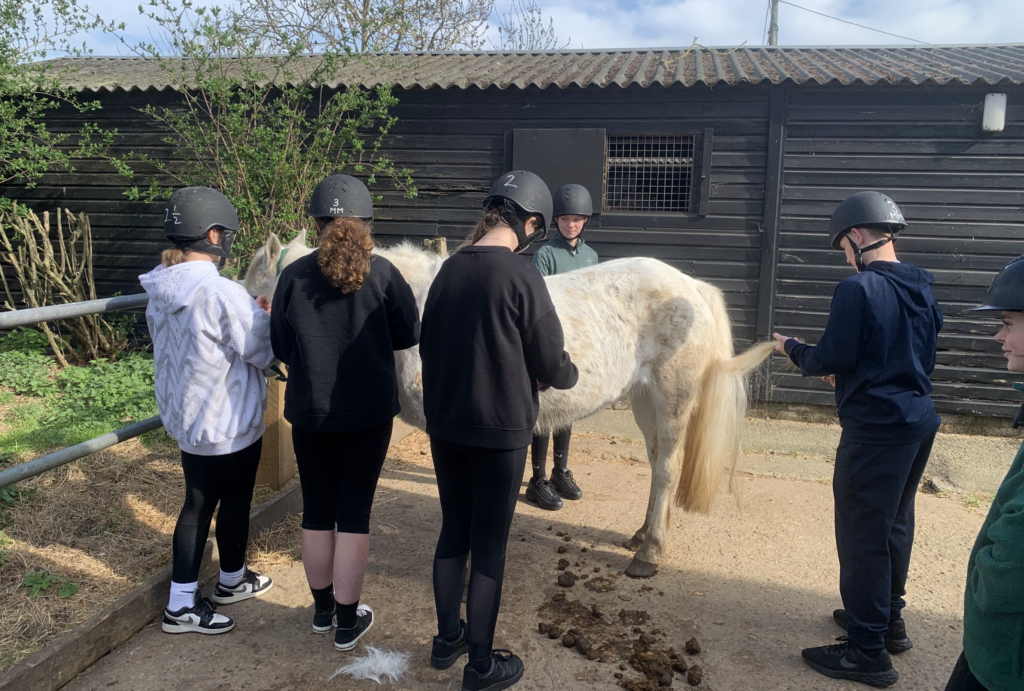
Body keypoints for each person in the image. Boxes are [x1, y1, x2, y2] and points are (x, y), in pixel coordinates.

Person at [771, 191, 943, 687]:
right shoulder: (922, 287)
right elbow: (910, 356)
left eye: (842, 246)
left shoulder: (859, 289)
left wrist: (792, 348)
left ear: (856, 236)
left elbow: (829, 357)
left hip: (876, 431)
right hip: (917, 420)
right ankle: (889, 622)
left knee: (862, 535)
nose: (845, 256)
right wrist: (853, 374)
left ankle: (867, 651)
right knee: (894, 524)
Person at [420, 170, 579, 691]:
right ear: (531, 222)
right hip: (500, 432)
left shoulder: (447, 270)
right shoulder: (521, 275)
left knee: (452, 532)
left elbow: (429, 347)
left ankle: (448, 640)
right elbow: (552, 362)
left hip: (445, 426)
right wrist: (567, 372)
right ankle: (482, 667)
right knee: (489, 546)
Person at [270, 174, 420, 652]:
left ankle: (320, 612)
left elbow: (279, 345)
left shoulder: (292, 276)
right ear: (367, 223)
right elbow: (408, 334)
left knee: (316, 511)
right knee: (354, 515)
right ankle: (347, 623)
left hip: (311, 413)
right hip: (369, 414)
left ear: (316, 225)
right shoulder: (384, 273)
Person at [140, 186, 276, 635]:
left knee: (208, 501)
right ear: (213, 235)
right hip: (228, 416)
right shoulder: (220, 292)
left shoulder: (159, 287)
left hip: (188, 415)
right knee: (215, 503)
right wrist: (265, 316)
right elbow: (260, 348)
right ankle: (181, 604)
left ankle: (230, 580)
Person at [943, 256, 1024, 691]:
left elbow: (1015, 555)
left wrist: (987, 583)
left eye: (1010, 323)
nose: (999, 335)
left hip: (1006, 661)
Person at [526, 183, 598, 511]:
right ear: (557, 221)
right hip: (552, 338)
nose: (571, 225)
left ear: (585, 221)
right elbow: (542, 301)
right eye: (566, 219)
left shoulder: (590, 255)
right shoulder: (545, 254)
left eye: (577, 219)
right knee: (546, 410)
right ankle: (537, 478)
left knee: (567, 409)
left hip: (578, 339)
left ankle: (560, 471)